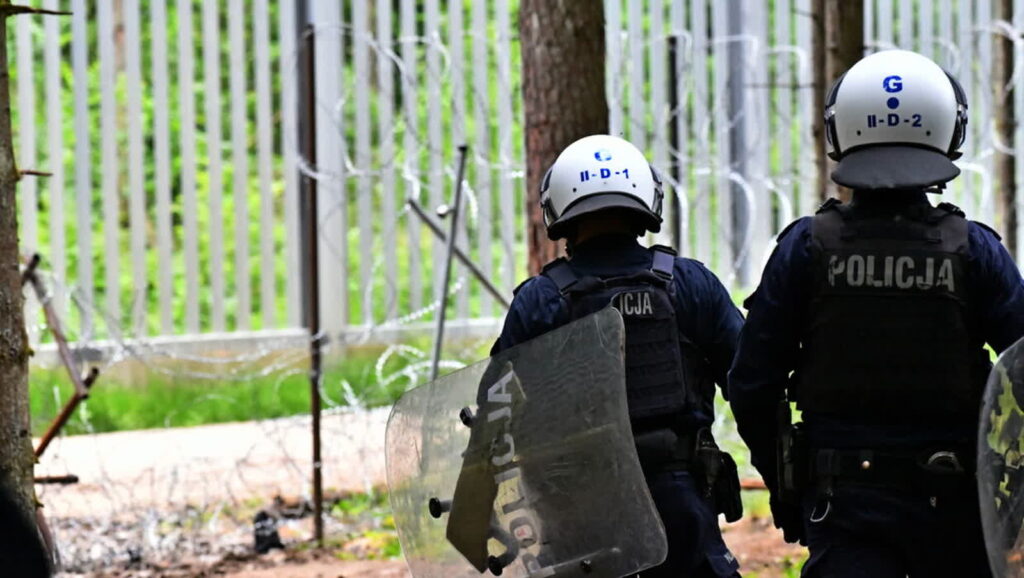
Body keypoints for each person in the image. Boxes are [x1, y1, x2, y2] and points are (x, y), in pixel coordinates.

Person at [728, 49, 1024, 577]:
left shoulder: (806, 248)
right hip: (955, 508)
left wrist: (785, 481)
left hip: (843, 507)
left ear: (841, 130)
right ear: (945, 128)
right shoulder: (974, 250)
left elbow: (753, 383)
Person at [492, 134, 745, 577]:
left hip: (579, 517)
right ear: (645, 200)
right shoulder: (690, 285)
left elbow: (496, 414)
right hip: (682, 509)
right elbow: (750, 381)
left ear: (560, 210)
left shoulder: (541, 301)